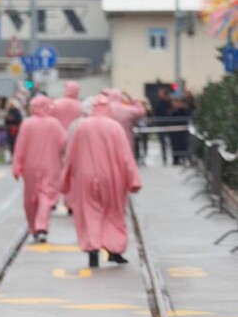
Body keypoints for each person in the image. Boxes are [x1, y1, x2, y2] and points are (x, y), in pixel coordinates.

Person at [60, 95, 142, 267]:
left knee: (89, 212)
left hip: (85, 176)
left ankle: (92, 249)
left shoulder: (82, 127)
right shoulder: (115, 128)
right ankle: (115, 249)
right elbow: (126, 157)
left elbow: (71, 156)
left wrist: (65, 181)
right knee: (113, 212)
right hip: (112, 176)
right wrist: (133, 180)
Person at [11, 95, 66, 243]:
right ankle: (42, 226)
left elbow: (20, 147)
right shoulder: (55, 124)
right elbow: (64, 143)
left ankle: (33, 227)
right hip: (51, 165)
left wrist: (17, 166)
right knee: (46, 196)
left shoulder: (27, 124)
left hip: (30, 166)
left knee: (30, 198)